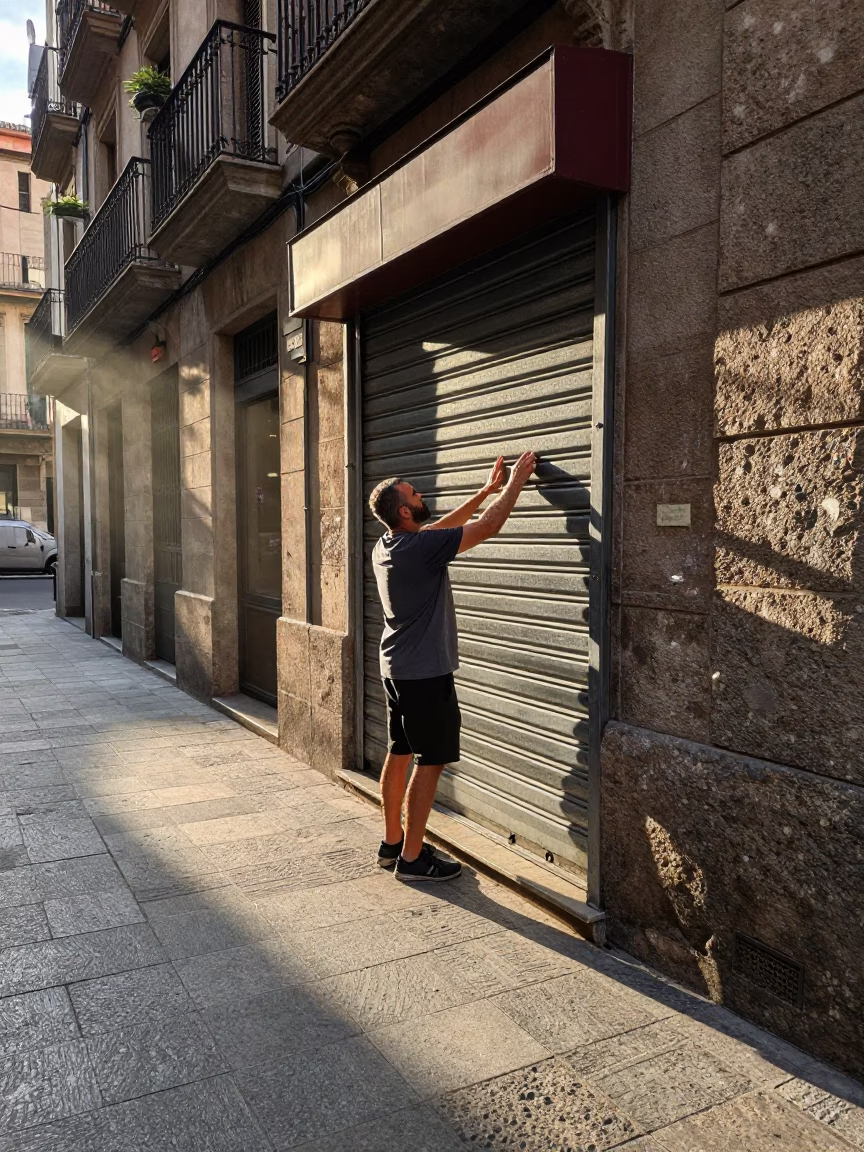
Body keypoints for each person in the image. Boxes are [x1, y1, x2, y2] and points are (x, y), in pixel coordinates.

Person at [368, 450, 538, 881]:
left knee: (401, 750)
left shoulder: (388, 545)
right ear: (404, 510)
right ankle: (411, 859)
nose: (420, 493)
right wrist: (517, 480)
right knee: (431, 759)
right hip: (425, 675)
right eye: (413, 493)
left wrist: (485, 490)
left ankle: (392, 843)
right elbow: (487, 527)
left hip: (397, 670)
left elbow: (440, 530)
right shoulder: (419, 549)